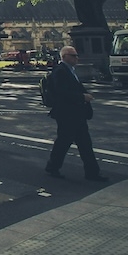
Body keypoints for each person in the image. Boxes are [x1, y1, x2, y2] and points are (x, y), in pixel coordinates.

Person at [45, 46, 108, 182]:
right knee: (64, 142)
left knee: (83, 143)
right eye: (74, 55)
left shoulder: (69, 70)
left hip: (75, 113)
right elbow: (62, 92)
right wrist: (82, 97)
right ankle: (53, 166)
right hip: (66, 113)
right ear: (65, 56)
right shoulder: (60, 71)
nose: (77, 58)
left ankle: (92, 172)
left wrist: (84, 95)